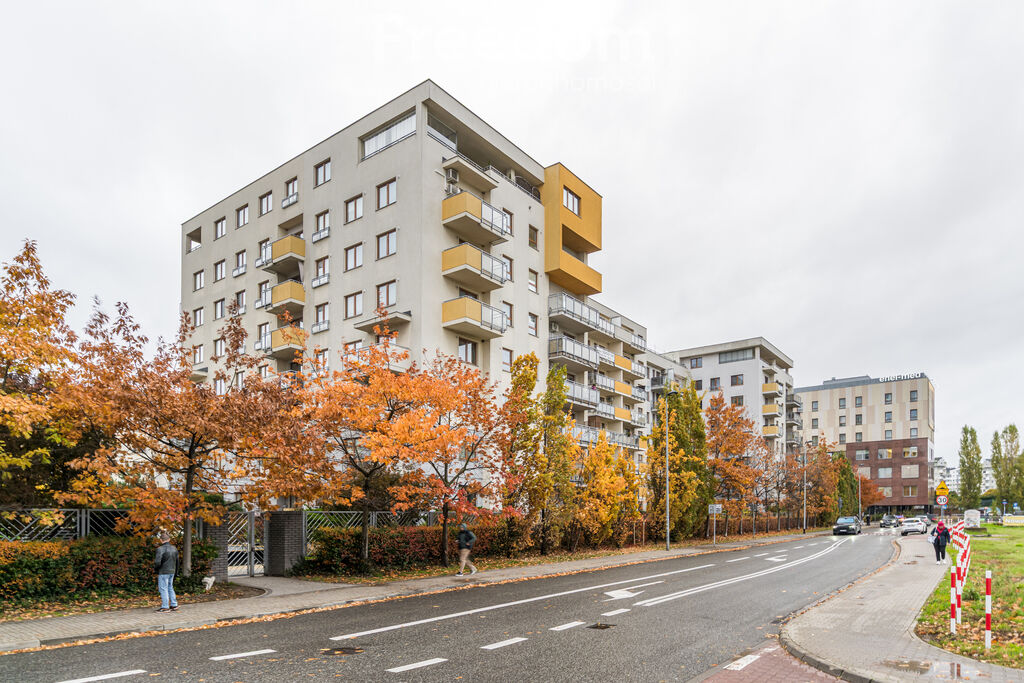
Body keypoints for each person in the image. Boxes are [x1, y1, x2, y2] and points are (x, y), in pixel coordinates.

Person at [154, 532, 180, 612]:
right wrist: (176, 572)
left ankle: (165, 607)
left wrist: (156, 570)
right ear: (169, 539)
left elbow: (157, 562)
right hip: (172, 571)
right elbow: (177, 562)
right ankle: (174, 604)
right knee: (170, 587)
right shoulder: (174, 548)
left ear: (161, 540)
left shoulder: (160, 549)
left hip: (163, 571)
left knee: (163, 588)